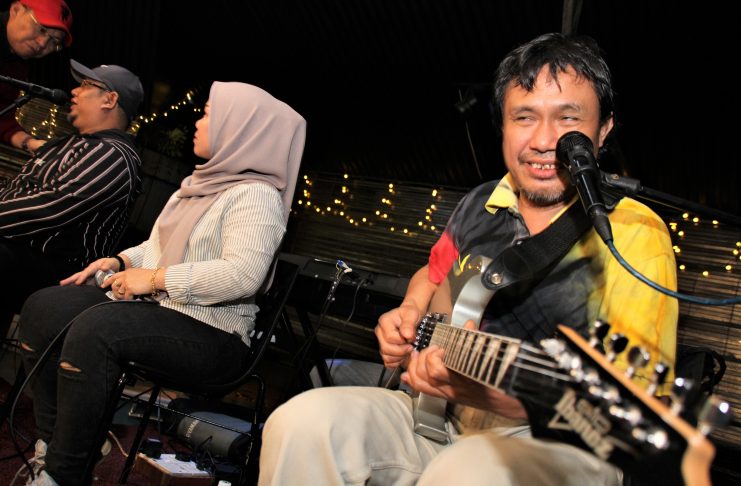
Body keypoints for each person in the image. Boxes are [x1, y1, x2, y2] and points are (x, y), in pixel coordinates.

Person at [259, 33, 678, 486]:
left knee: (468, 471)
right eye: (524, 117)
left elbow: (633, 404)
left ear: (603, 130)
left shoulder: (636, 232)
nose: (543, 140)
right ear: (503, 126)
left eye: (568, 118)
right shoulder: (480, 202)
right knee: (300, 422)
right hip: (435, 412)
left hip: (561, 441)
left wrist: (503, 397)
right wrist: (410, 315)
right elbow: (432, 273)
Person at [16, 81, 306, 486]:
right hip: (163, 311)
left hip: (215, 335)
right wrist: (120, 261)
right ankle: (57, 442)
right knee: (44, 308)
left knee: (97, 328)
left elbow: (243, 275)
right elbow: (156, 247)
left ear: (239, 128)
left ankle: (64, 474)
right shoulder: (196, 187)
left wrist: (154, 279)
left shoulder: (257, 195)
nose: (198, 123)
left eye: (208, 115)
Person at [0, 59, 142, 342]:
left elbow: (51, 208)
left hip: (57, 271)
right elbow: (17, 191)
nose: (75, 91)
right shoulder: (72, 143)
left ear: (110, 100)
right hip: (18, 253)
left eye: (86, 85)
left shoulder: (114, 154)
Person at [1, 0, 73, 153]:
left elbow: (2, 120)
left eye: (54, 41)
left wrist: (30, 142)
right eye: (41, 29)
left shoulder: (17, 66)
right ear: (16, 10)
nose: (42, 44)